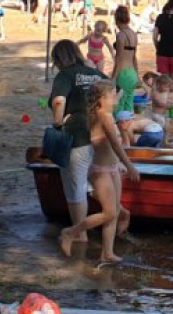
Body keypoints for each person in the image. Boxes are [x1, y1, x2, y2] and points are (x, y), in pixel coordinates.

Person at [59, 80, 140, 265]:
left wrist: (119, 164)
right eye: (112, 96)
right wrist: (129, 165)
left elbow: (112, 147)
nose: (116, 99)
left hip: (112, 168)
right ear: (102, 99)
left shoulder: (104, 114)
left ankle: (107, 253)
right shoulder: (103, 115)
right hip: (100, 170)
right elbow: (114, 143)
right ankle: (71, 232)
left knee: (114, 212)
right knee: (110, 213)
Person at [48, 39, 109, 245]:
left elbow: (58, 101)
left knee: (76, 188)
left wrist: (58, 123)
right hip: (99, 136)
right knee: (92, 183)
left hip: (77, 137)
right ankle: (115, 217)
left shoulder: (65, 75)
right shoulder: (93, 73)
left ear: (59, 59)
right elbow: (114, 90)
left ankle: (79, 235)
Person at [111, 6, 139, 120]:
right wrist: (137, 75)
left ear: (116, 19)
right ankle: (128, 130)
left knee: (118, 105)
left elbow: (119, 58)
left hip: (123, 74)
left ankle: (118, 131)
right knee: (128, 105)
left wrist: (113, 78)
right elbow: (134, 57)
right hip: (132, 73)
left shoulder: (120, 35)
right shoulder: (134, 34)